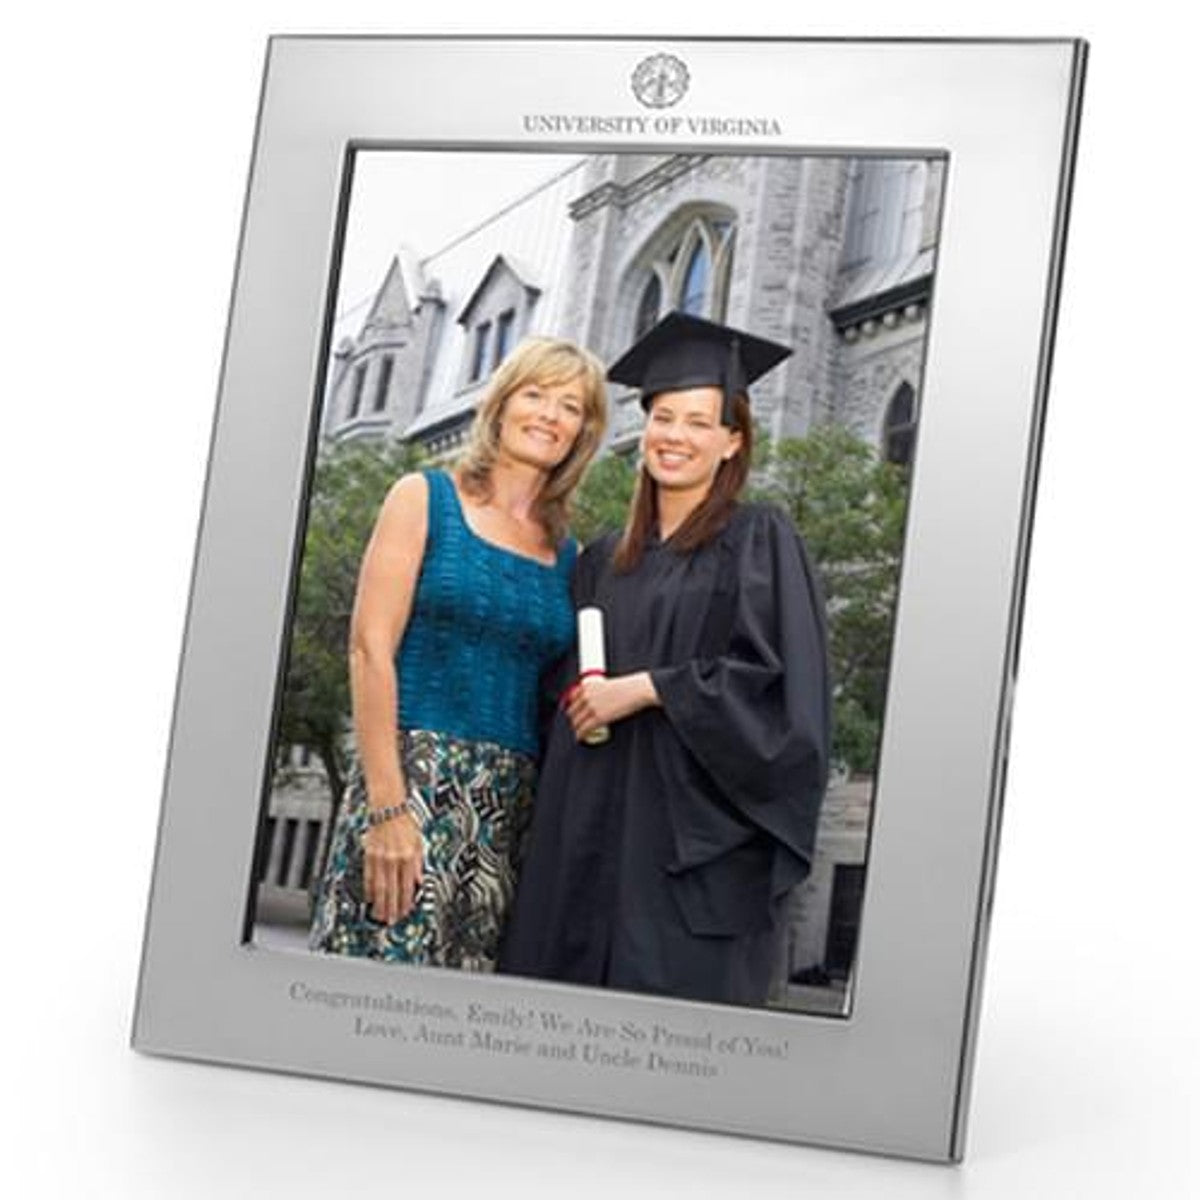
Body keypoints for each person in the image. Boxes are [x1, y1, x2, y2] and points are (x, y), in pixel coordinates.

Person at [500, 312, 831, 1006]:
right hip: (585, 843)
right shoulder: (601, 558)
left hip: (688, 864)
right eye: (663, 417)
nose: (675, 436)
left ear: (732, 442)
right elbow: (555, 699)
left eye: (699, 422)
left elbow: (783, 702)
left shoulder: (760, 539)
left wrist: (649, 688)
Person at [310, 336, 608, 970]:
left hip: (509, 811)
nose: (550, 415)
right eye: (535, 394)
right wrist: (388, 808)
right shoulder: (423, 499)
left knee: (466, 1001)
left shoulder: (569, 555)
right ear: (501, 404)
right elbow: (369, 649)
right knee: (373, 985)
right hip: (410, 782)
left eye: (570, 406)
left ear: (582, 433)